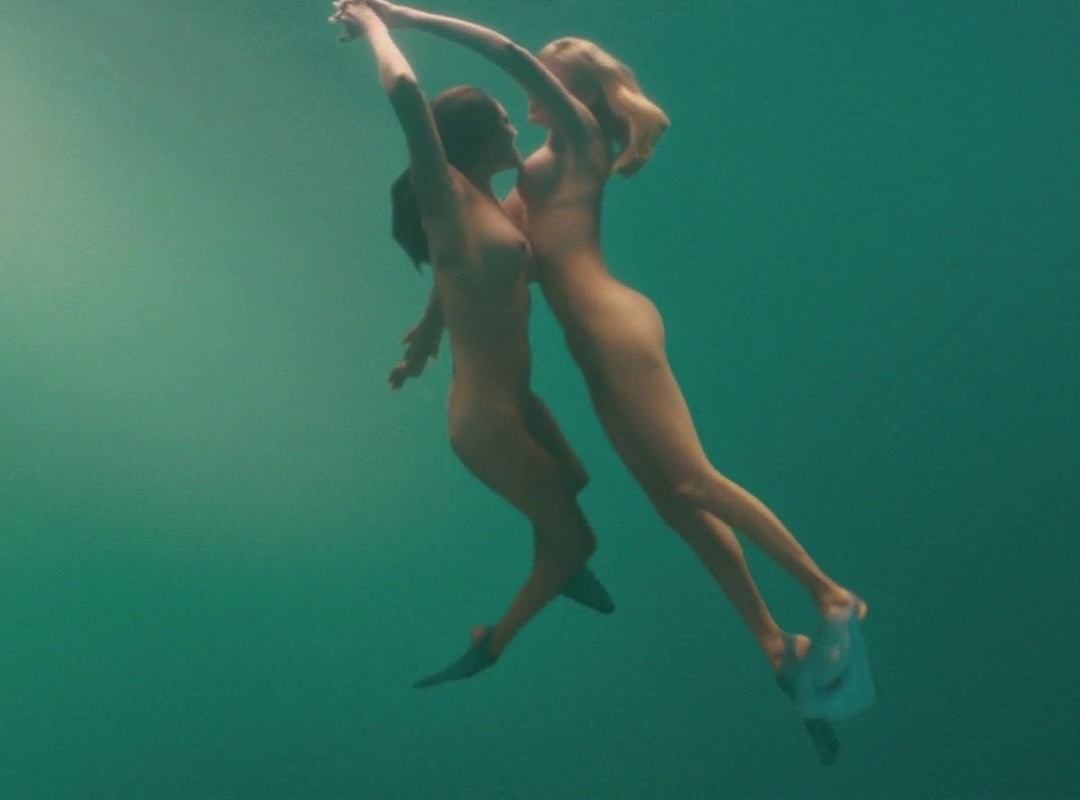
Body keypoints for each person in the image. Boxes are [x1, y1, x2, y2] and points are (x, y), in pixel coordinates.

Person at [359, 0, 876, 734]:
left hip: (617, 328)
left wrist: (399, 17)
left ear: (574, 91)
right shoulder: (521, 184)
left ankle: (829, 595)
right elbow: (467, 260)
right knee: (674, 503)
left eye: (546, 74)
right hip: (592, 348)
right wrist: (426, 333)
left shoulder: (578, 139)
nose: (523, 96)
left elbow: (503, 50)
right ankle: (771, 641)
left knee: (694, 480)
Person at [331, 0, 615, 690]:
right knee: (578, 539)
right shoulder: (447, 193)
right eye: (502, 120)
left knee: (574, 483)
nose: (515, 126)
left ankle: (555, 564)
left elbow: (456, 274)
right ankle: (492, 641)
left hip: (516, 398)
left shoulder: (489, 204)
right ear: (476, 138)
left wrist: (424, 339)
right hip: (486, 422)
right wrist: (375, 24)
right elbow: (407, 96)